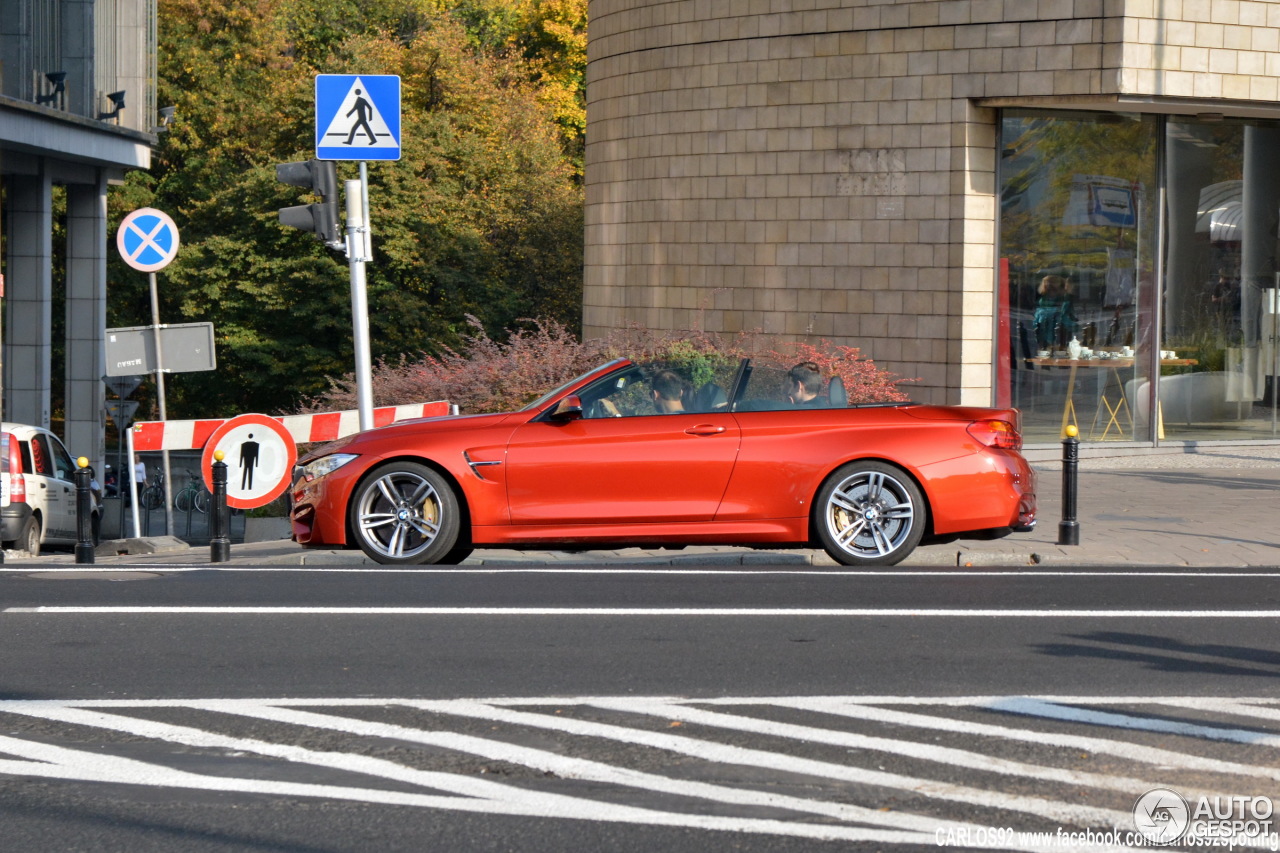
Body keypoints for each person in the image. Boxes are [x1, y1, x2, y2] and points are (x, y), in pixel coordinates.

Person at [1034, 274, 1076, 348]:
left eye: (1050, 283)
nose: (1048, 285)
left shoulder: (1063, 296)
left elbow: (1066, 308)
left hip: (1057, 321)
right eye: (1046, 283)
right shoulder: (1044, 295)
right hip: (1045, 321)